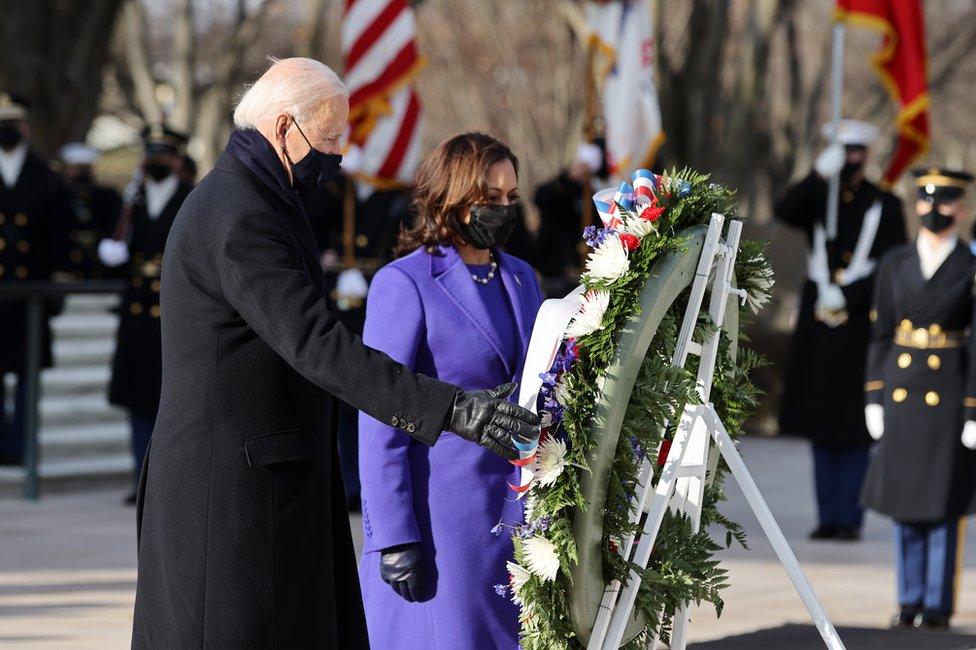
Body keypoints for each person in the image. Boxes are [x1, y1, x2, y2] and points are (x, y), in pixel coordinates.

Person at [131, 58, 540, 649]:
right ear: (282, 127)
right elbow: (316, 344)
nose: (338, 155)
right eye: (327, 140)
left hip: (268, 482)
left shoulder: (261, 198)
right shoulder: (239, 214)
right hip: (228, 500)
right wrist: (452, 409)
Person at [357, 132, 544, 649]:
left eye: (511, 198)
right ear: (452, 197)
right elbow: (381, 418)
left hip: (517, 513)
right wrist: (392, 534)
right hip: (443, 519)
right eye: (490, 199)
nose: (503, 209)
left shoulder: (523, 277)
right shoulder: (405, 283)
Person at [775, 119, 905, 541]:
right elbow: (784, 210)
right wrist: (817, 173)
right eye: (842, 152)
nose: (849, 159)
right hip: (818, 327)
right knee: (821, 425)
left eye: (855, 152)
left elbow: (892, 265)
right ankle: (827, 515)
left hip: (857, 326)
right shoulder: (819, 197)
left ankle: (850, 517)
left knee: (852, 428)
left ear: (866, 155)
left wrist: (849, 296)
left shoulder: (883, 204)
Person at [861, 168, 976, 629]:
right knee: (906, 498)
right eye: (926, 201)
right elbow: (880, 333)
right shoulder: (895, 261)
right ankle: (908, 599)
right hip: (902, 390)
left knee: (942, 500)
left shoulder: (969, 266)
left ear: (961, 208)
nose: (933, 209)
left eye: (945, 201)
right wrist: (874, 395)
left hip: (947, 391)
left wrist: (973, 407)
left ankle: (936, 603)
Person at [99, 125, 193, 503]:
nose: (155, 161)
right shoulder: (133, 201)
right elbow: (116, 255)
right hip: (137, 314)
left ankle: (171, 479)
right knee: (138, 398)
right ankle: (141, 475)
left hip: (173, 311)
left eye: (163, 154)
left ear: (176, 159)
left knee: (171, 398)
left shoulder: (189, 196)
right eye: (150, 154)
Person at [0, 92, 70, 465]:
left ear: (25, 129)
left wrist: (55, 286)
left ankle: (23, 445)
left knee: (28, 375)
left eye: (13, 125)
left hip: (32, 289)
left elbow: (60, 233)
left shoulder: (45, 176)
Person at [530, 140, 607, 294]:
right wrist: (568, 179)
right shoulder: (560, 187)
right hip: (554, 270)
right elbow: (540, 198)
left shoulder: (591, 195)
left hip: (580, 269)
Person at [57, 143, 121, 279]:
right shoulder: (58, 197)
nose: (80, 174)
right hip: (66, 271)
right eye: (76, 169)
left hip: (99, 271)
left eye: (85, 169)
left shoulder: (108, 197)